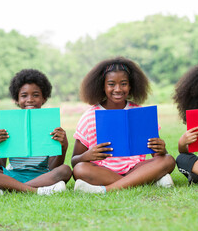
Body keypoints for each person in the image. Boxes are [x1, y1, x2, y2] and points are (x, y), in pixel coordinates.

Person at [72, 57, 176, 193]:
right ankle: (147, 181)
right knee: (80, 169)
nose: (118, 89)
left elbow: (158, 156)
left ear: (131, 85)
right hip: (103, 171)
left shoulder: (140, 113)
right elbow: (75, 161)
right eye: (111, 84)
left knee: (168, 160)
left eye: (123, 84)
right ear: (102, 86)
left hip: (136, 168)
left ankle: (106, 189)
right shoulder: (89, 116)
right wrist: (87, 155)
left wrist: (162, 150)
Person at [0, 69, 72, 195]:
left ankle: (8, 188)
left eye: (36, 95)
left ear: (44, 98)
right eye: (24, 95)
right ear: (16, 99)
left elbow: (54, 168)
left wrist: (63, 147)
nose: (30, 99)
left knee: (65, 170)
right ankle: (37, 191)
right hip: (13, 174)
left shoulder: (50, 123)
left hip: (42, 176)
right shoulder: (9, 123)